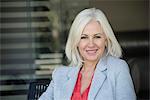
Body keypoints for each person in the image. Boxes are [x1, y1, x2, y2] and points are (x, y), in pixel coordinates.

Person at [39, 8, 136, 100]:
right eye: (84, 37)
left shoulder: (118, 69)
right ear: (76, 42)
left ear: (106, 40)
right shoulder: (60, 74)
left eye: (97, 37)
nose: (91, 44)